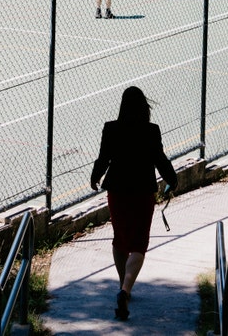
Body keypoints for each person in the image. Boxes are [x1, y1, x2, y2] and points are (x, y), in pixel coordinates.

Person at [91, 86, 178, 321]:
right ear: (144, 107)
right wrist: (172, 179)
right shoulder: (151, 130)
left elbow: (103, 158)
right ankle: (126, 289)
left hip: (117, 191)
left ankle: (122, 284)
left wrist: (95, 176)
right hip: (142, 192)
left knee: (120, 239)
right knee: (139, 243)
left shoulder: (111, 128)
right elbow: (160, 159)